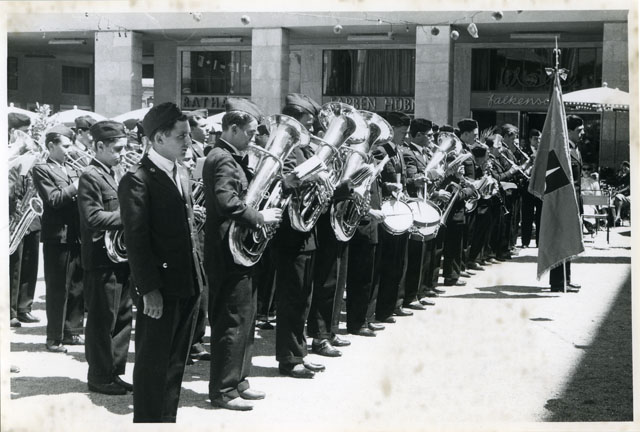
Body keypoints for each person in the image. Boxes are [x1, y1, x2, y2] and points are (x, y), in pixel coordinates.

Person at [118, 102, 205, 422]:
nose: (189, 142)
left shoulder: (180, 171)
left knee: (175, 365)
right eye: (181, 136)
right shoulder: (137, 179)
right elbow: (136, 241)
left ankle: (166, 421)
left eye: (188, 135)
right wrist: (149, 290)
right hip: (160, 288)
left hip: (188, 281)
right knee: (153, 365)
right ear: (158, 139)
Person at [203, 98, 282, 411]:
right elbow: (227, 202)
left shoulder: (231, 156)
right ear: (233, 128)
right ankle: (223, 390)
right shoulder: (222, 158)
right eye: (249, 132)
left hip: (237, 251)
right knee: (232, 321)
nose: (253, 138)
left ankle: (239, 381)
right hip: (227, 252)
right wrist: (261, 217)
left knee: (245, 320)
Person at [273, 94, 327, 377]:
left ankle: (299, 353)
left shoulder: (304, 148)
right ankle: (289, 358)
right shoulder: (284, 144)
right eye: (308, 120)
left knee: (303, 297)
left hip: (305, 230)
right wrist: (310, 178)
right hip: (290, 232)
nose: (312, 127)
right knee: (292, 298)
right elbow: (279, 179)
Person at [77, 120, 133, 395]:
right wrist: (131, 216)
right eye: (118, 148)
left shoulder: (115, 172)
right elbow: (93, 217)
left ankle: (114, 372)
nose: (123, 154)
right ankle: (99, 376)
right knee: (103, 320)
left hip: (120, 256)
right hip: (100, 259)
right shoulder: (90, 176)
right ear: (100, 146)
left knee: (122, 318)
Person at [32, 125, 85, 353]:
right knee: (58, 288)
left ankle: (72, 331)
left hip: (77, 233)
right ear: (51, 146)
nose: (69, 150)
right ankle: (54, 337)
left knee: (77, 286)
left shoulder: (71, 168)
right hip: (58, 236)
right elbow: (53, 199)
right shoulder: (41, 169)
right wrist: (77, 186)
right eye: (65, 145)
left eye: (70, 145)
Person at [8, 113, 42, 328]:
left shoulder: (29, 152)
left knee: (31, 262)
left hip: (30, 215)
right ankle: (10, 309)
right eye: (24, 132)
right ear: (13, 132)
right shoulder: (8, 154)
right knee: (14, 265)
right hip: (14, 214)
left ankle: (24, 307)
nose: (28, 136)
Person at [180, 147, 211, 363]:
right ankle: (184, 345)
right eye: (187, 160)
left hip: (199, 244)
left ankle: (196, 341)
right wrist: (191, 212)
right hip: (182, 248)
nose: (192, 164)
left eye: (193, 160)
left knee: (202, 297)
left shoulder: (193, 183)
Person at [548, 115, 584, 293]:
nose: (582, 133)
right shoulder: (563, 152)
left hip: (574, 202)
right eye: (579, 130)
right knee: (560, 242)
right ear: (568, 131)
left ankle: (566, 279)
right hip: (564, 203)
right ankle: (557, 282)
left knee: (569, 242)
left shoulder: (575, 150)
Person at [520, 129, 542, 247]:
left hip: (540, 186)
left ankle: (539, 241)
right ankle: (525, 241)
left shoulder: (544, 151)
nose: (538, 141)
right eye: (535, 139)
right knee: (527, 215)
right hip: (527, 186)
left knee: (540, 215)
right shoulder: (524, 151)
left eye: (539, 139)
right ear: (530, 140)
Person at [613, 161, 630, 226]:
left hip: (630, 195)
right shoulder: (625, 176)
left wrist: (619, 191)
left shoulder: (632, 175)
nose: (624, 170)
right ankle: (616, 219)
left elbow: (628, 187)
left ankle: (618, 216)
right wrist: (619, 176)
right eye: (623, 169)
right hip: (625, 195)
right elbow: (619, 183)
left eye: (625, 168)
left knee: (618, 197)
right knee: (613, 199)